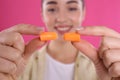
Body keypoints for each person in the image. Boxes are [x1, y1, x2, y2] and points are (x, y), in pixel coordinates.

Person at [0, 0, 120, 80]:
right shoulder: (17, 66)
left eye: (72, 8)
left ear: (83, 13)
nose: (61, 18)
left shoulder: (106, 67)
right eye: (52, 9)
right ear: (42, 14)